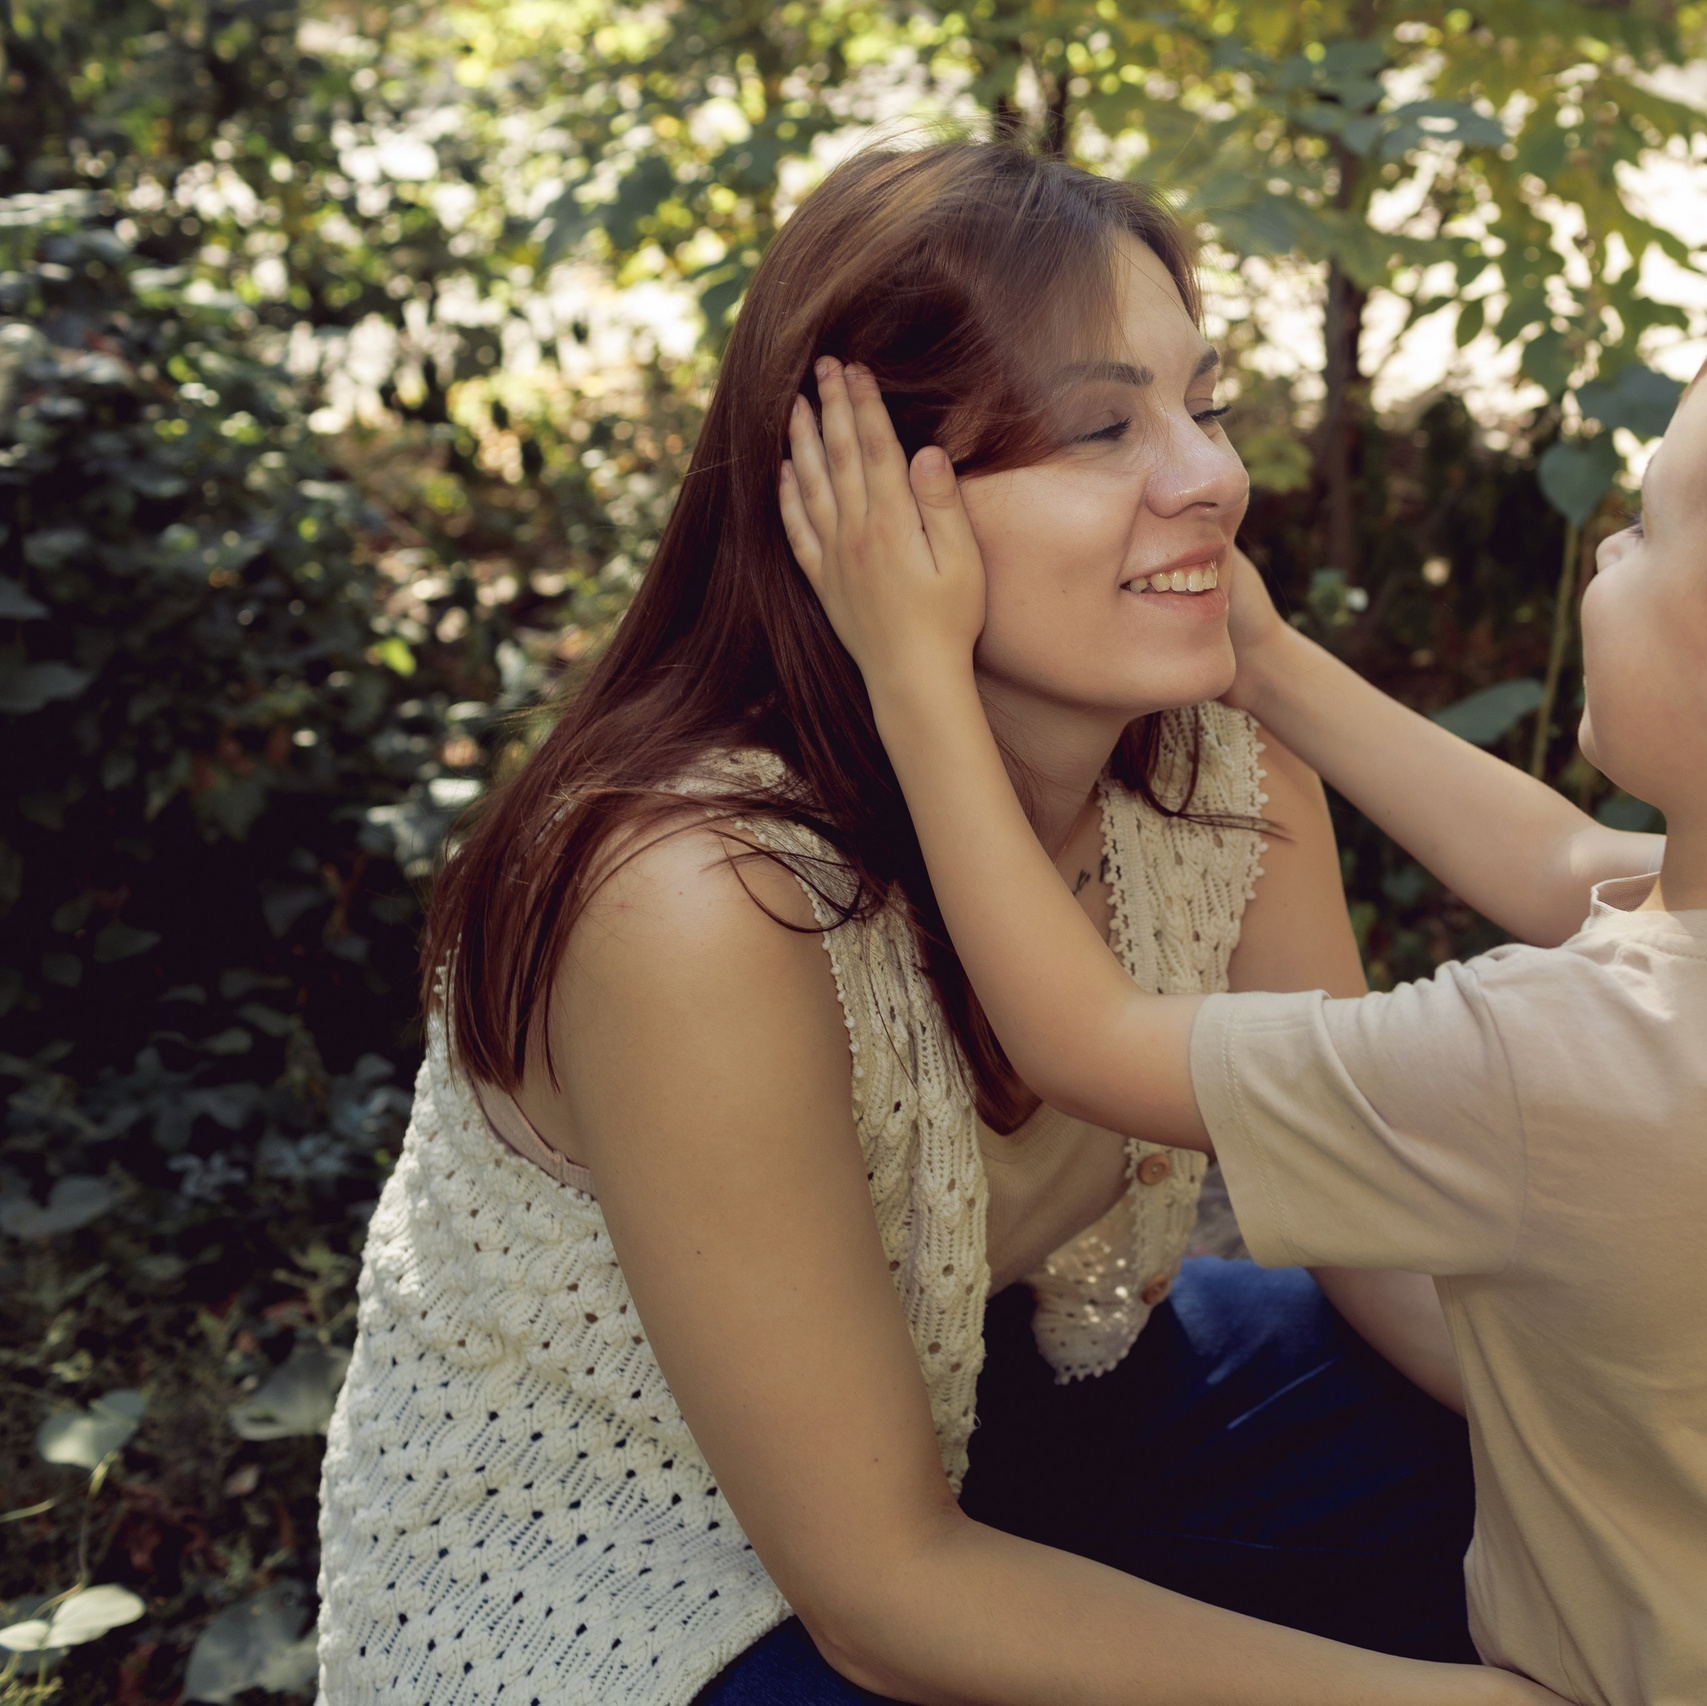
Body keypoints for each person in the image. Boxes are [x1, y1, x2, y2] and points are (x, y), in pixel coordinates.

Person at [775, 277, 1707, 1705]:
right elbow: (1557, 855)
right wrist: (1265, 662)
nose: (1606, 543)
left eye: (1649, 526)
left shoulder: (1558, 1064)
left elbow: (1083, 1037)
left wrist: (915, 672)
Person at [313, 137, 1566, 1706]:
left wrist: (1692, 1459)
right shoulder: (697, 900)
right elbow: (882, 1594)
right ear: (859, 505)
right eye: (1102, 424)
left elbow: (1379, 1235)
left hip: (999, 1412)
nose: (1209, 478)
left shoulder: (1220, 766)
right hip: (643, 1583)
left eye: (1207, 406)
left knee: (1537, 1461)